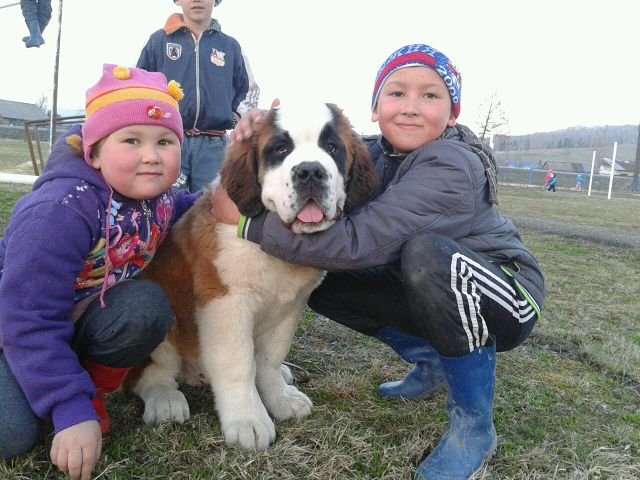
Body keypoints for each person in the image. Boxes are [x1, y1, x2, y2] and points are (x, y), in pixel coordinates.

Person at [213, 43, 545, 480]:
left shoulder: (452, 165)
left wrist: (246, 224)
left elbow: (354, 244)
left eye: (430, 95)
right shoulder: (370, 150)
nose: (410, 107)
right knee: (323, 279)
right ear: (375, 108)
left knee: (426, 256)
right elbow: (311, 143)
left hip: (506, 293)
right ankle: (432, 360)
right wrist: (258, 131)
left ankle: (473, 425)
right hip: (433, 285)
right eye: (396, 93)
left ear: (453, 113)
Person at [0, 64, 200, 480]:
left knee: (144, 307)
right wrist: (68, 408)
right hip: (13, 329)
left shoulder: (156, 197)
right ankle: (66, 392)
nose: (151, 155)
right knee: (12, 433)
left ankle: (84, 386)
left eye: (165, 141)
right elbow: (26, 318)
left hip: (74, 317)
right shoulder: (59, 211)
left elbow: (184, 207)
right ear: (92, 153)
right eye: (132, 140)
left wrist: (221, 199)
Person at [137, 0, 258, 193]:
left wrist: (236, 118)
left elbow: (249, 90)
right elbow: (140, 85)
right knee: (165, 200)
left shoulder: (230, 46)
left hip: (214, 147)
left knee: (210, 203)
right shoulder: (159, 41)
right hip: (170, 140)